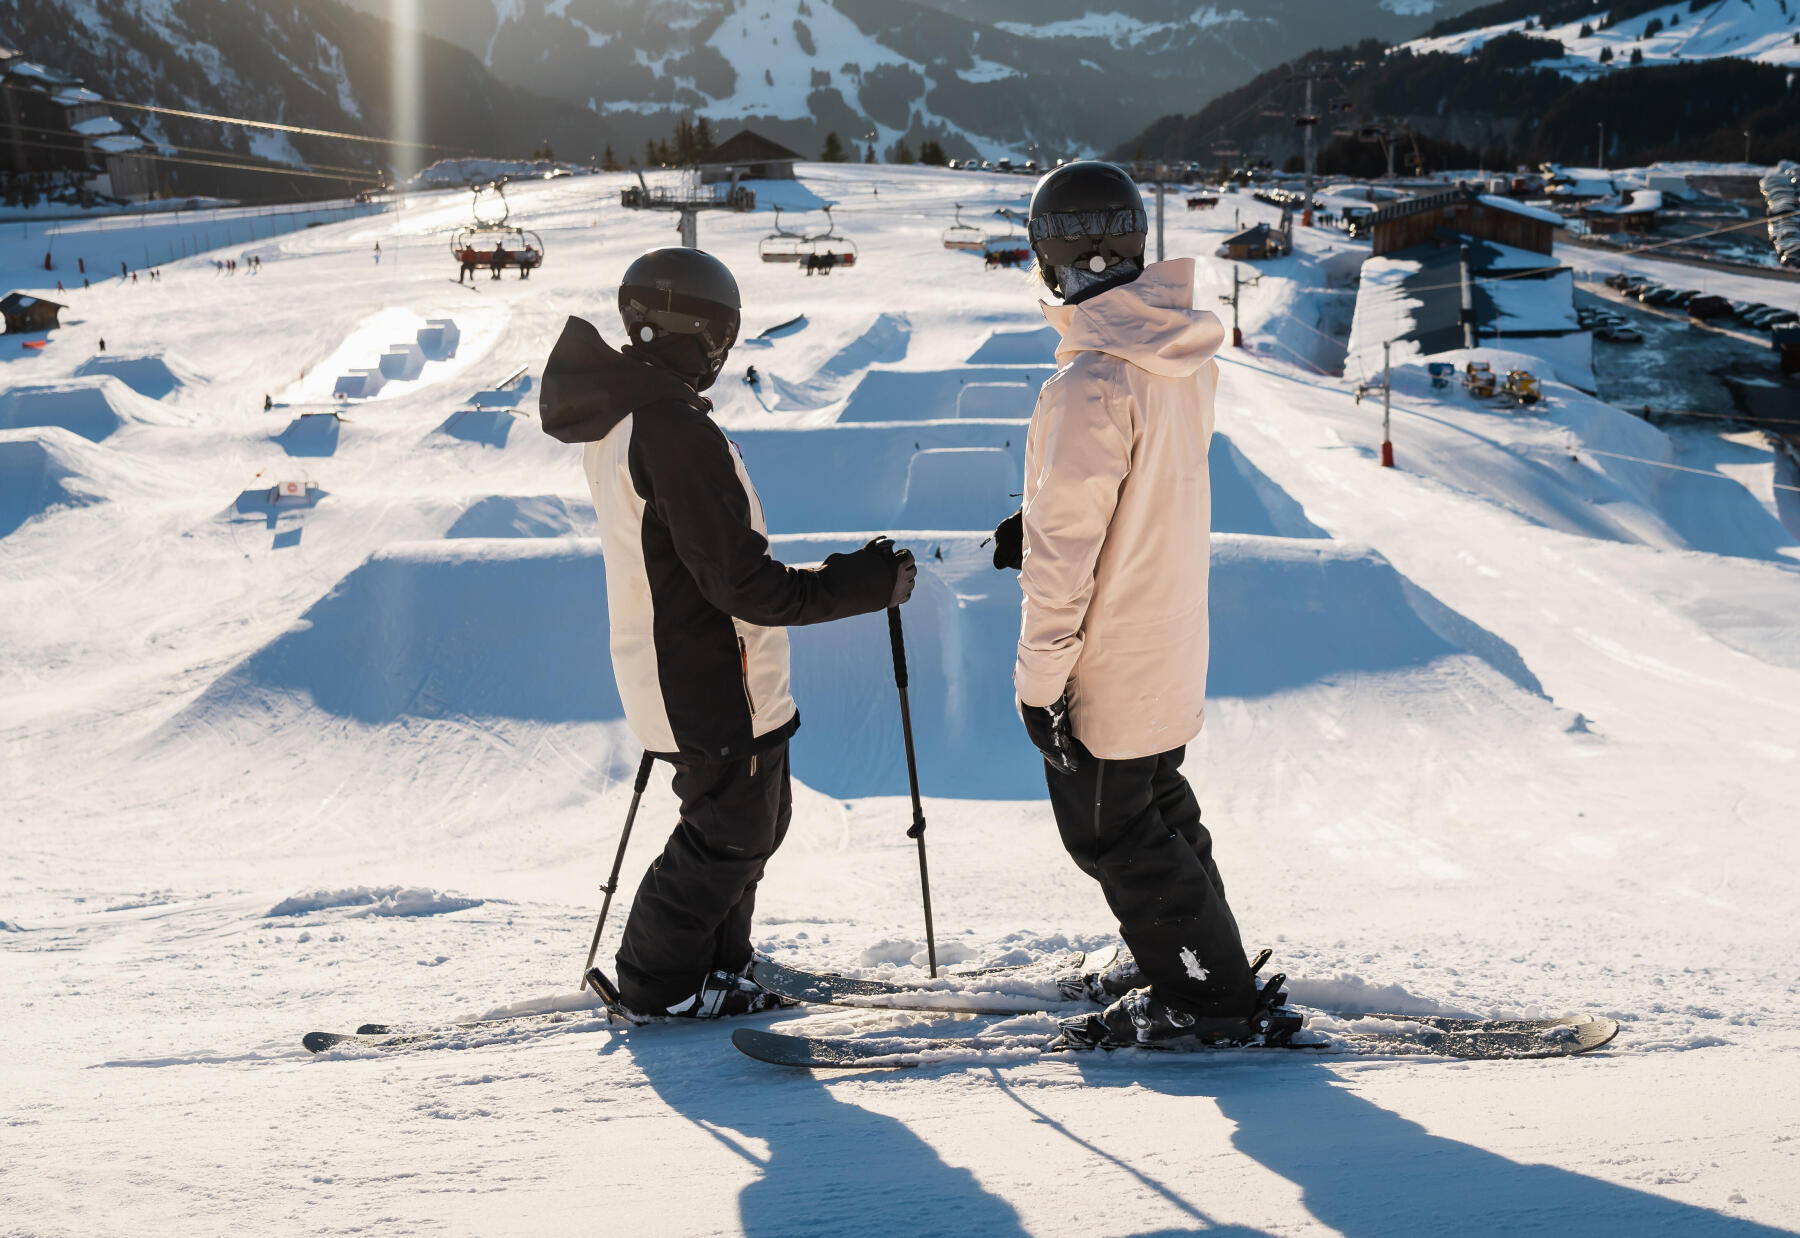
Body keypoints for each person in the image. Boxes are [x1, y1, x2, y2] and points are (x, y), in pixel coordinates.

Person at [539, 247, 917, 1021]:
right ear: (693, 332)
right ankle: (659, 981)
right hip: (707, 675)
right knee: (732, 833)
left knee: (755, 823)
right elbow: (741, 583)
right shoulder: (669, 429)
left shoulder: (637, 418)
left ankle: (718, 964)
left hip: (701, 668)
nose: (724, 352)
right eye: (721, 334)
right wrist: (864, 584)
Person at [991, 161, 1286, 1050]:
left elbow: (1062, 568)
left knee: (1113, 831)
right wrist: (1039, 506)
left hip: (1108, 655)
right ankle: (1192, 957)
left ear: (1061, 260)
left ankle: (1208, 999)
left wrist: (1039, 685)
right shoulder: (1172, 355)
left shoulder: (1089, 382)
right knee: (1158, 804)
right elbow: (1143, 480)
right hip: (1166, 632)